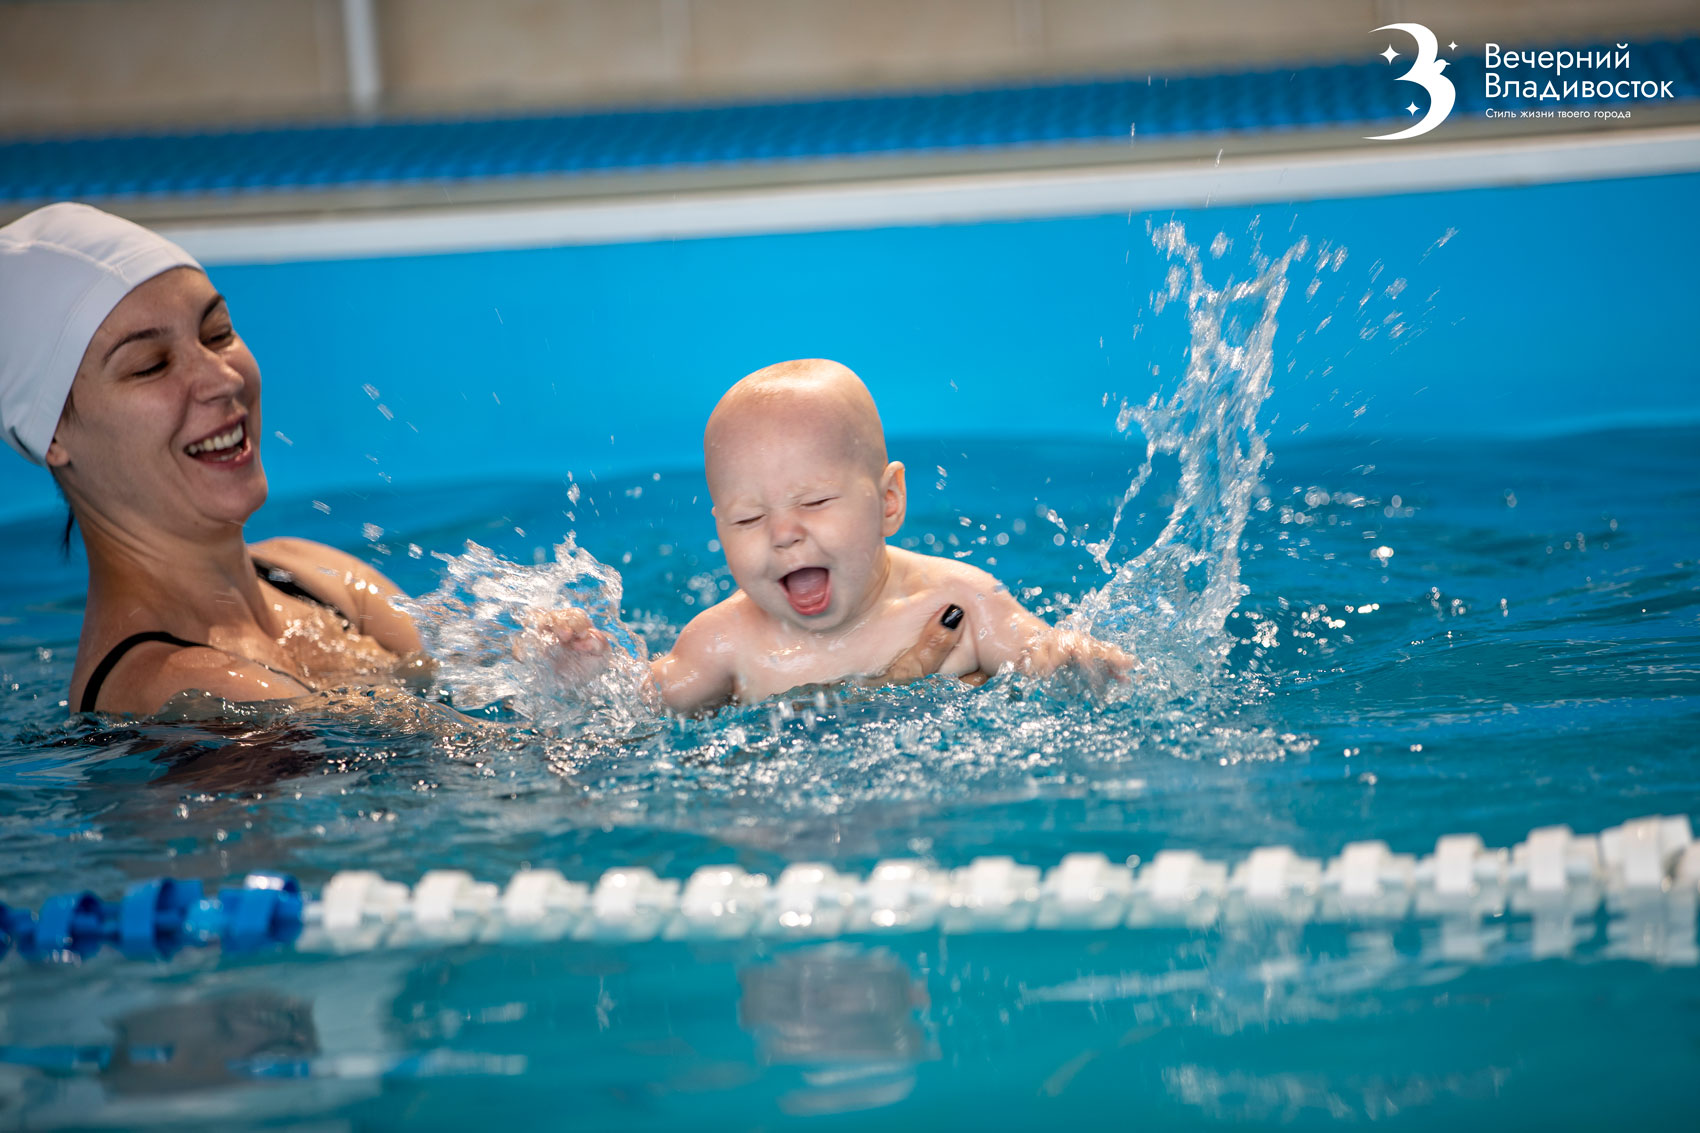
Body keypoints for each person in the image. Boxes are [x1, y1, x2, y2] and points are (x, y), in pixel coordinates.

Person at [0, 204, 962, 718]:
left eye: (218, 330)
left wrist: (573, 663)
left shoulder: (311, 573)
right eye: (152, 364)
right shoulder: (176, 687)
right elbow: (504, 787)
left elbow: (571, 711)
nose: (219, 380)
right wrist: (862, 682)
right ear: (53, 436)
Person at [534, 359, 1135, 712]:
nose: (784, 534)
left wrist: (1069, 662)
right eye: (747, 519)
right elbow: (642, 704)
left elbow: (1036, 652)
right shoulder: (723, 641)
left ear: (888, 501)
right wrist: (584, 674)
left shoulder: (959, 600)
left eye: (815, 502)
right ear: (718, 529)